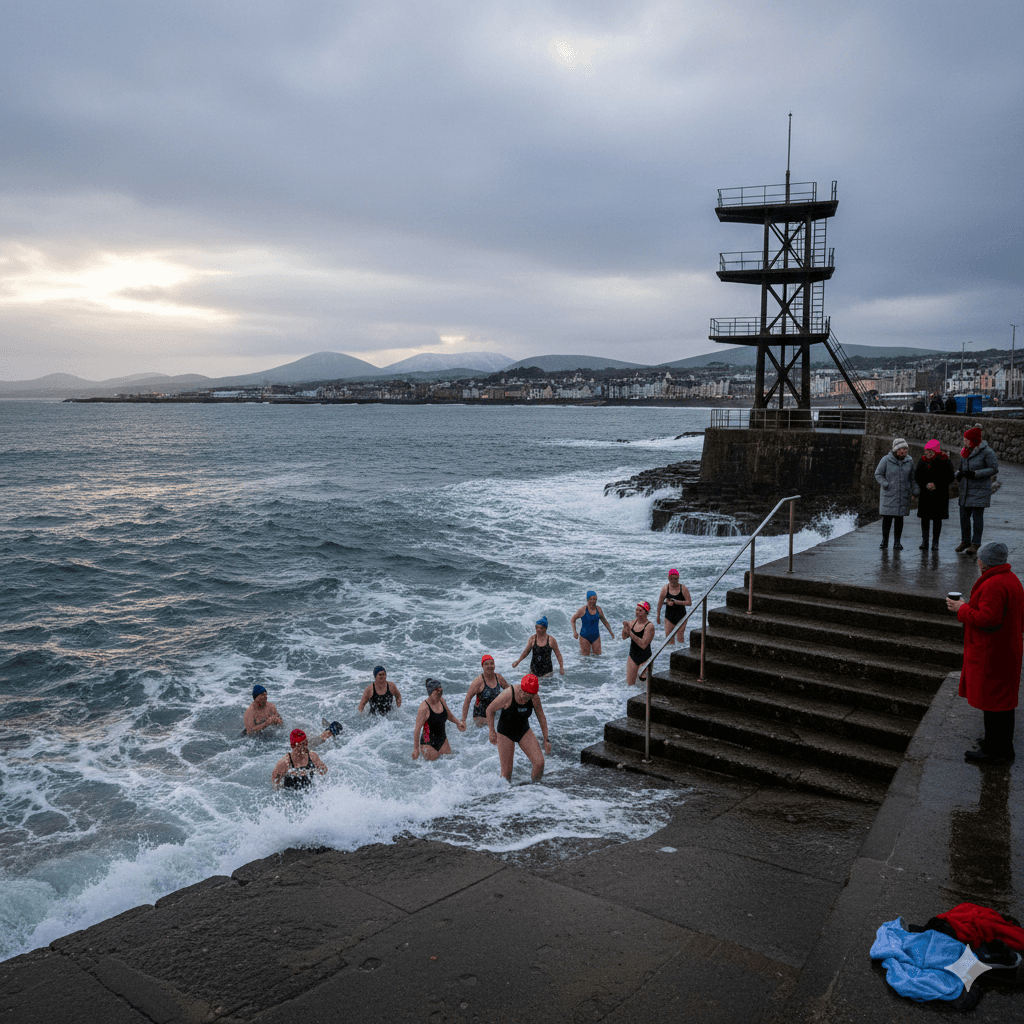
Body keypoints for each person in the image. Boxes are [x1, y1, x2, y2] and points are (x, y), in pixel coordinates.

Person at [946, 542, 1023, 766]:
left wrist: (962, 608)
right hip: (1006, 649)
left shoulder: (994, 584)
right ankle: (998, 745)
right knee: (1002, 702)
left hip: (993, 652)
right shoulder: (1011, 579)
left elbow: (988, 620)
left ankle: (996, 752)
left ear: (983, 562)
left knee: (994, 704)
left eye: (979, 559)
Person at [486, 673, 551, 782]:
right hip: (505, 732)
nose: (526, 696)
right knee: (506, 774)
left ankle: (535, 787)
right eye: (524, 692)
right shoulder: (508, 694)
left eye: (530, 695)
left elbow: (542, 718)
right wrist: (491, 731)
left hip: (523, 730)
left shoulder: (534, 698)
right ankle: (505, 792)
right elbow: (489, 710)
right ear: (521, 687)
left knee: (539, 763)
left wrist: (546, 740)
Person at [955, 426, 999, 557]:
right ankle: (965, 541)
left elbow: (994, 469)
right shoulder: (965, 451)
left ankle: (975, 543)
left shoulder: (987, 452)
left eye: (966, 439)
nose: (964, 441)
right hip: (965, 490)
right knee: (963, 517)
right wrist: (958, 474)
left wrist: (975, 473)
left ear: (973, 440)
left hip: (980, 490)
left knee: (977, 518)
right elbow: (961, 468)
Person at [243, 685, 337, 745]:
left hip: (274, 734)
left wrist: (278, 721)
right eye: (263, 696)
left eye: (266, 695)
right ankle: (326, 734)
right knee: (300, 745)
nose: (266, 697)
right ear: (256, 698)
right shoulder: (250, 712)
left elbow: (281, 724)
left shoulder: (271, 706)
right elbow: (250, 733)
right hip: (260, 741)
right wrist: (267, 723)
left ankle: (326, 734)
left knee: (300, 733)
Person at [874, 437, 918, 551]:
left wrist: (915, 491)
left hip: (903, 495)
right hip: (889, 494)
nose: (904, 451)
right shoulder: (886, 460)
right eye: (902, 449)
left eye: (905, 449)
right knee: (887, 519)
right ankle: (884, 541)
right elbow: (878, 474)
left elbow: (913, 477)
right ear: (896, 450)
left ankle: (897, 542)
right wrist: (886, 484)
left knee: (899, 519)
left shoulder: (909, 461)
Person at [914, 439, 955, 550]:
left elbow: (950, 476)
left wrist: (936, 484)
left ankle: (935, 542)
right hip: (925, 494)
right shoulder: (922, 461)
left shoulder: (944, 461)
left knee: (937, 519)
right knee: (925, 518)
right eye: (926, 451)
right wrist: (926, 484)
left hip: (939, 495)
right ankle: (925, 541)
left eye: (930, 451)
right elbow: (917, 476)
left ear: (935, 451)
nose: (927, 453)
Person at [412, 679, 465, 760]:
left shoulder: (442, 701)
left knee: (450, 761)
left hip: (442, 739)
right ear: (431, 692)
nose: (439, 694)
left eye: (441, 691)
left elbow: (448, 714)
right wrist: (416, 749)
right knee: (432, 766)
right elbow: (417, 729)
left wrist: (458, 723)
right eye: (437, 692)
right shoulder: (424, 707)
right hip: (428, 743)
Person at [460, 654, 510, 727]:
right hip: (480, 718)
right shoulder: (478, 682)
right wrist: (463, 720)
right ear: (482, 666)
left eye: (491, 663)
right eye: (486, 664)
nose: (490, 666)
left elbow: (509, 692)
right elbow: (468, 699)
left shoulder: (499, 678)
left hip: (494, 714)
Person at [621, 600, 655, 686]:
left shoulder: (649, 626)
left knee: (645, 685)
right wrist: (625, 628)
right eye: (636, 610)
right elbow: (624, 637)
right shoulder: (633, 622)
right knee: (630, 684)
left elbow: (643, 645)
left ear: (646, 612)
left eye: (640, 610)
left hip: (645, 657)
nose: (637, 612)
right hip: (632, 656)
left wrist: (630, 633)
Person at [656, 570, 692, 644]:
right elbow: (660, 603)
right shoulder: (665, 589)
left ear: (678, 578)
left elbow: (689, 603)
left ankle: (682, 651)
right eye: (671, 579)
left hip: (682, 616)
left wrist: (675, 602)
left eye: (675, 579)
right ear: (668, 578)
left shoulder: (683, 588)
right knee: (669, 640)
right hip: (669, 617)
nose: (673, 581)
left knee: (680, 638)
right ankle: (669, 652)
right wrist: (658, 616)